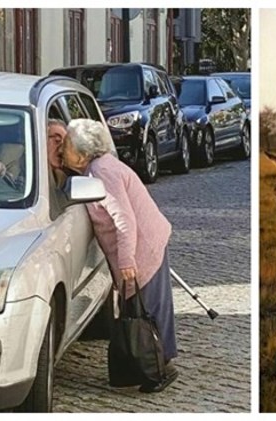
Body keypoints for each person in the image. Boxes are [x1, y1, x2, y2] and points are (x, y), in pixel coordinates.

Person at [61, 118, 179, 393]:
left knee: (147, 311)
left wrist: (126, 260)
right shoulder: (92, 170)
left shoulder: (102, 171)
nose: (61, 149)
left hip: (143, 248)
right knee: (142, 309)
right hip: (140, 246)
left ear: (81, 153)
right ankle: (152, 366)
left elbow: (124, 219)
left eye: (65, 144)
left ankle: (161, 368)